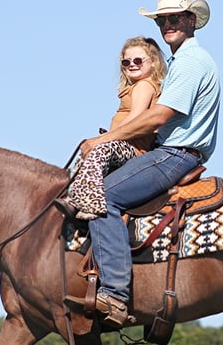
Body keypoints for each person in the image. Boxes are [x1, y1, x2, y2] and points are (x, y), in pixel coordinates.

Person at [65, 0, 221, 328]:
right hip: (174, 151)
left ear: (191, 19)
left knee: (103, 197)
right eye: (162, 20)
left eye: (175, 18)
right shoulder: (183, 61)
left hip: (176, 154)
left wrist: (102, 140)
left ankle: (116, 296)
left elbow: (160, 116)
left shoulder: (192, 62)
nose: (168, 24)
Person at [55, 37, 168, 220]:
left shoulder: (144, 86)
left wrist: (107, 137)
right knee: (87, 156)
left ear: (153, 63)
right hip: (125, 144)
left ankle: (90, 202)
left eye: (138, 60)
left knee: (100, 150)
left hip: (133, 147)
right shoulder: (135, 87)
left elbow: (136, 118)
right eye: (126, 62)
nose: (132, 65)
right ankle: (75, 197)